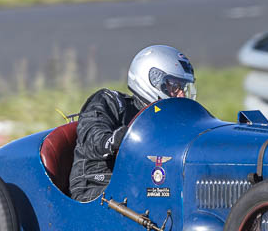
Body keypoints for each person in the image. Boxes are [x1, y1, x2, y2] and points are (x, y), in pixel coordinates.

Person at [68, 45, 197, 202]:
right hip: (98, 188)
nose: (182, 94)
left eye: (183, 87)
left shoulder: (168, 118)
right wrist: (115, 140)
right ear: (153, 80)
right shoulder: (110, 101)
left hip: (143, 186)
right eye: (175, 86)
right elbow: (92, 136)